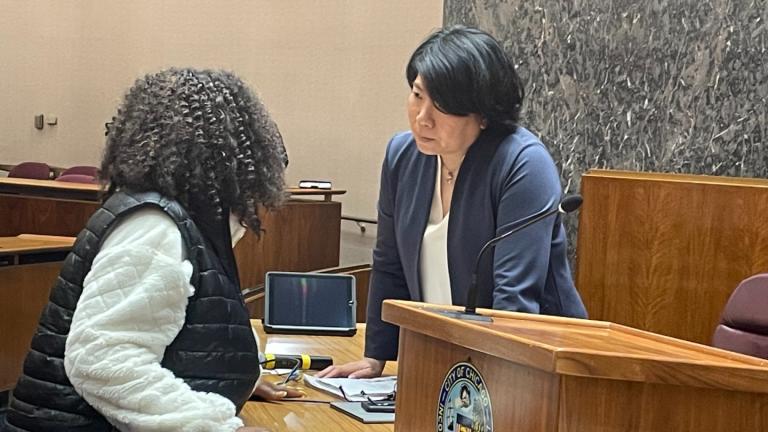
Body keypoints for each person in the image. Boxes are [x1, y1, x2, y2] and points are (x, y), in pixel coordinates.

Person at [3, 68, 300, 432]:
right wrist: (213, 425)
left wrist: (239, 378)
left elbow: (184, 330)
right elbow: (104, 361)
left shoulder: (178, 218)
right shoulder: (155, 227)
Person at [318, 26, 587, 379]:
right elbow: (388, 264)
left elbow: (514, 298)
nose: (422, 117)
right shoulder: (403, 155)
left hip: (538, 366)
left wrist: (490, 384)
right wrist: (376, 357)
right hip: (447, 360)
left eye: (443, 107)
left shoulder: (522, 163)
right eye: (417, 95)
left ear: (483, 113)